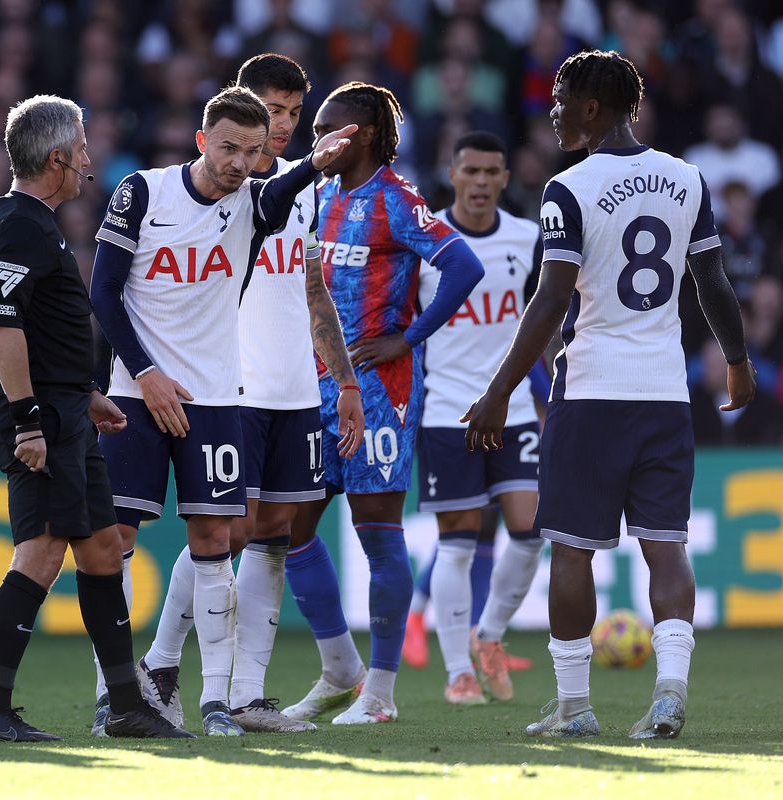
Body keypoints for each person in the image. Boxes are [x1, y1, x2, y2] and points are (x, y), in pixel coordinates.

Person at [464, 50, 755, 739]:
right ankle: (670, 692)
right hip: (665, 391)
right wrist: (737, 360)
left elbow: (550, 299)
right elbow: (713, 282)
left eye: (561, 100)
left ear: (591, 108)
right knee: (666, 546)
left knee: (572, 549)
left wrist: (499, 391)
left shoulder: (568, 188)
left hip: (593, 390)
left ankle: (574, 708)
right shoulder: (687, 178)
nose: (552, 111)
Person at [109, 54, 365, 736]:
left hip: (293, 385)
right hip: (232, 382)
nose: (281, 124)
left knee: (274, 535)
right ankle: (164, 664)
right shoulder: (230, 193)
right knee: (227, 530)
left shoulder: (304, 189)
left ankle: (246, 696)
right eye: (270, 110)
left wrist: (341, 378)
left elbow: (312, 288)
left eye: (292, 112)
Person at [0, 95, 189, 742]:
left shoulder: (33, 222)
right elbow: (3, 328)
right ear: (58, 158)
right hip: (42, 417)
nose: (91, 161)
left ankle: (125, 706)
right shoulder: (20, 225)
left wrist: (86, 392)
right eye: (83, 149)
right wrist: (28, 420)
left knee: (101, 550)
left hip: (65, 409)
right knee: (40, 553)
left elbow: (36, 327)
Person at [280, 82, 485, 725]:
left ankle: (381, 694)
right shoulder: (318, 195)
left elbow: (464, 266)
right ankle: (340, 669)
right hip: (310, 384)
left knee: (376, 531)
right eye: (315, 130)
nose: (318, 141)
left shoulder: (397, 199)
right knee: (289, 528)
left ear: (365, 134)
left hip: (377, 389)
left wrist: (408, 337)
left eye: (329, 130)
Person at [414, 130, 545, 704]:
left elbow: (541, 327)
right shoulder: (426, 241)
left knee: (531, 532)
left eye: (492, 172)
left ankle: (488, 636)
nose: (481, 182)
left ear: (505, 179)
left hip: (512, 411)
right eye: (471, 171)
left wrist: (546, 395)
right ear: (453, 175)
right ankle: (456, 674)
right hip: (449, 412)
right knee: (458, 545)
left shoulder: (528, 237)